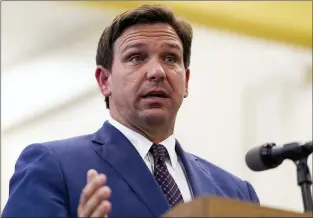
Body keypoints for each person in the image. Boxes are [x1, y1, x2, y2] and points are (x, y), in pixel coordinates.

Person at [2, 4, 259, 218]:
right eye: (136, 58)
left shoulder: (235, 193)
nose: (157, 72)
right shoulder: (52, 166)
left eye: (170, 58)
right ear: (105, 80)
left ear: (186, 81)